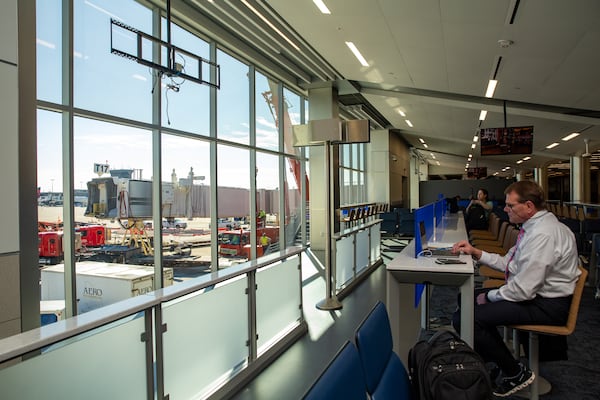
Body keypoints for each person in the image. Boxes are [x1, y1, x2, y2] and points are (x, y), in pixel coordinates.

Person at [451, 180, 580, 397]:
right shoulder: (533, 228)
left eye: (511, 206)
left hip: (546, 305)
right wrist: (475, 251)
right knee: (466, 298)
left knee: (467, 316)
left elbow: (523, 291)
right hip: (534, 295)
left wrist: (491, 297)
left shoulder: (543, 235)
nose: (505, 209)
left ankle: (514, 372)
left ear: (529, 206)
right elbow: (508, 264)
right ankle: (493, 361)